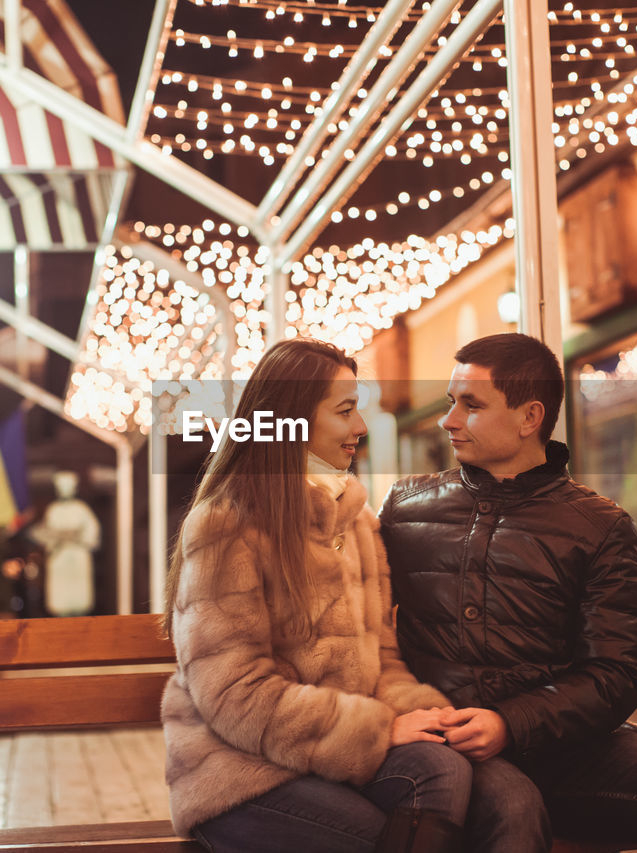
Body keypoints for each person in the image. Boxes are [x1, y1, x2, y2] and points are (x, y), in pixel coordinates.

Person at [379, 333, 637, 853]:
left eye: (472, 405)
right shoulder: (405, 509)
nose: (449, 420)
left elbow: (616, 674)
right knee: (514, 807)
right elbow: (359, 631)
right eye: (450, 402)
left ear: (530, 418)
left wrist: (511, 722)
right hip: (448, 743)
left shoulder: (599, 525)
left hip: (567, 747)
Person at [161, 338, 472, 853]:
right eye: (345, 410)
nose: (361, 428)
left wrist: (424, 715)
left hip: (333, 758)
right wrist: (373, 732)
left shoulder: (358, 524)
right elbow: (233, 691)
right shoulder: (226, 523)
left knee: (445, 767)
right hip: (240, 772)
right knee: (378, 835)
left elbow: (384, 659)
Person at [31, 470, 100, 616]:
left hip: (77, 555)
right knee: (60, 594)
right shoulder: (53, 510)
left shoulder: (81, 509)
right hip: (60, 556)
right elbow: (46, 533)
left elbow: (92, 532)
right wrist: (56, 537)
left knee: (79, 593)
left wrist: (76, 537)